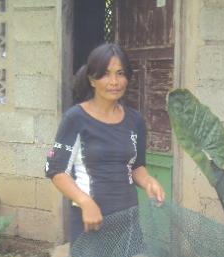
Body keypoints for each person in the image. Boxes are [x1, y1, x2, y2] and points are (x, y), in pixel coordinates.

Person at [45, 43, 165, 243]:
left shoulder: (135, 120)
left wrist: (149, 182)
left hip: (127, 219)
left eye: (120, 73)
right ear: (92, 79)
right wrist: (85, 202)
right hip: (90, 220)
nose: (114, 82)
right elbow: (57, 171)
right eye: (106, 74)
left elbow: (136, 167)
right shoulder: (75, 118)